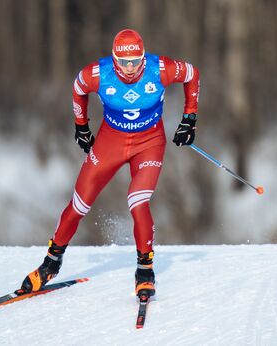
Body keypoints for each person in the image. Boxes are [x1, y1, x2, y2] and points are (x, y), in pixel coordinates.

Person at [21, 29, 200, 297]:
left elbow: (192, 75)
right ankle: (50, 263)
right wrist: (81, 126)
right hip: (110, 142)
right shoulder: (97, 74)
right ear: (114, 59)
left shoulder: (161, 68)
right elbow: (78, 88)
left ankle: (145, 271)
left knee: (137, 201)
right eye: (123, 62)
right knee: (79, 204)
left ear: (143, 57)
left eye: (136, 61)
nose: (130, 68)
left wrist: (189, 118)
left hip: (149, 144)